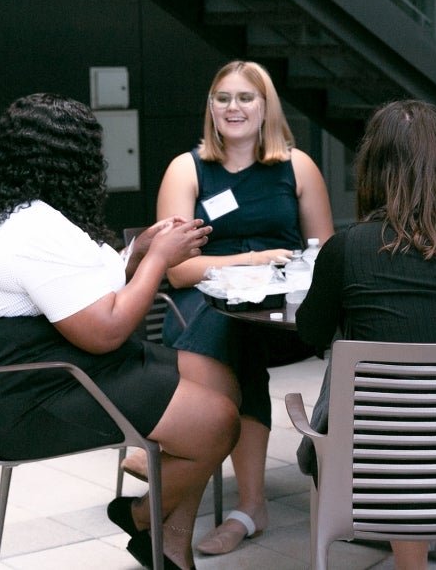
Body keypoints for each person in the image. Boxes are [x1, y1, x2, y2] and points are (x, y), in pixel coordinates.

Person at [0, 93, 240, 570]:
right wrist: (160, 261)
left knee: (220, 380)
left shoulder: (35, 214)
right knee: (216, 423)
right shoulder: (29, 231)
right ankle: (143, 518)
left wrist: (140, 250)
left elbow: (83, 287)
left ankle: (169, 549)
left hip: (66, 368)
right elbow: (105, 330)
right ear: (70, 162)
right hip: (31, 397)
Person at [295, 99, 436, 570]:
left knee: (350, 364)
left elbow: (311, 331)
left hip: (379, 472)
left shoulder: (348, 249)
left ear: (373, 168)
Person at [148, 59, 335, 556]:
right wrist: (250, 259)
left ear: (266, 106)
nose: (234, 107)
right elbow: (176, 271)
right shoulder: (186, 169)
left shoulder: (298, 167)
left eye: (246, 97)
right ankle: (248, 506)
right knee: (229, 330)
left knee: (238, 331)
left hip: (281, 312)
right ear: (210, 108)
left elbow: (326, 257)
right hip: (204, 306)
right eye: (223, 97)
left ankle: (179, 451)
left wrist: (272, 273)